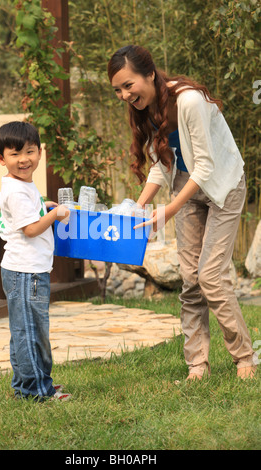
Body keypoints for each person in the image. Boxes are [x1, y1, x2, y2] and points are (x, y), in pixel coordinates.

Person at [108, 45, 256, 380]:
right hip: (186, 187)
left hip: (223, 186)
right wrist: (139, 206)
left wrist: (168, 211)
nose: (123, 95)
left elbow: (205, 165)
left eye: (128, 85)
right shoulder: (146, 108)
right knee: (190, 280)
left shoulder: (188, 101)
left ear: (150, 74)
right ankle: (197, 364)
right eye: (117, 89)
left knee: (211, 276)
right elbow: (162, 167)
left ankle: (244, 358)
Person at [0, 120, 71, 400]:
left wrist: (44, 205)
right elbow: (30, 229)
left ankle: (28, 385)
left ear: (40, 152)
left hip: (29, 270)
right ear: (2, 159)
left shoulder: (23, 184)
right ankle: (38, 389)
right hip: (24, 271)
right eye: (14, 154)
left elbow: (29, 209)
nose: (23, 159)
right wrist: (55, 214)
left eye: (29, 151)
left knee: (27, 330)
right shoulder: (15, 190)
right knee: (30, 333)